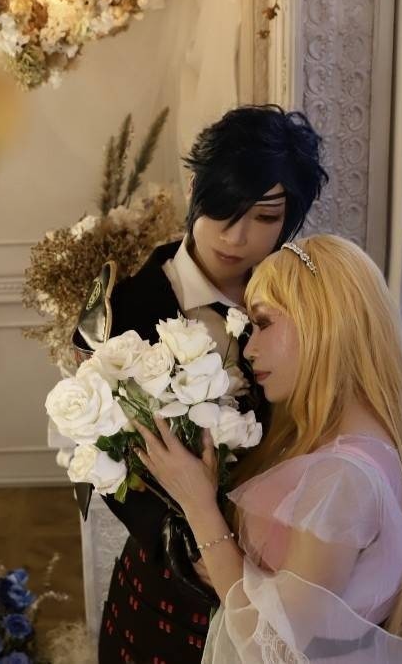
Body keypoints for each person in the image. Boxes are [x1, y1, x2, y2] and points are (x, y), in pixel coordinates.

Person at [80, 104, 328, 664]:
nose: (237, 236)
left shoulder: (305, 304)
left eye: (264, 217)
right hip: (170, 581)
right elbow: (101, 455)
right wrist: (187, 549)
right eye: (224, 206)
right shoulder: (125, 308)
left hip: (284, 569)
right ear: (194, 187)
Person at [135, 235, 402, 662]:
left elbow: (279, 650)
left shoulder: (341, 479)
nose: (249, 349)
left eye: (264, 323)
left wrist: (200, 509)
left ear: (324, 322)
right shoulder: (352, 444)